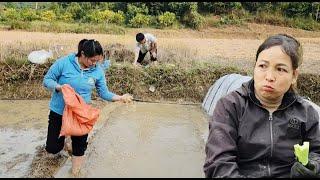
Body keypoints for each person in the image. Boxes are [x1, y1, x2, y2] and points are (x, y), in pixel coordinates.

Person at [203, 34, 320, 178]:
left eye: (280, 69)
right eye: (263, 66)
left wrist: (312, 166)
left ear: (294, 75)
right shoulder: (230, 106)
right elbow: (218, 163)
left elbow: (317, 152)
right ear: (255, 67)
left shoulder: (306, 113)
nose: (269, 76)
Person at [43, 39, 133, 176]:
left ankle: (75, 173)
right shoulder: (64, 63)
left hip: (80, 114)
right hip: (59, 111)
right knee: (52, 148)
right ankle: (65, 140)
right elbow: (47, 80)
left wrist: (120, 97)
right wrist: (59, 87)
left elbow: (104, 92)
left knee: (79, 148)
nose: (94, 64)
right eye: (92, 60)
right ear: (83, 54)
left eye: (97, 61)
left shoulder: (97, 71)